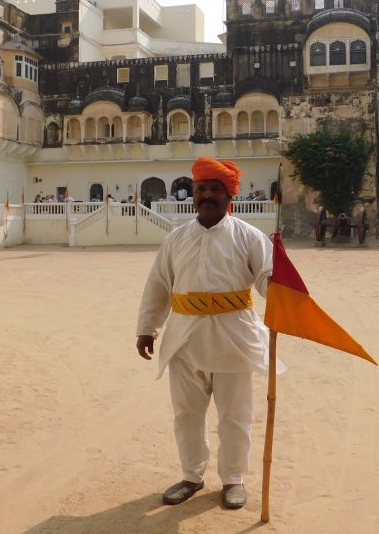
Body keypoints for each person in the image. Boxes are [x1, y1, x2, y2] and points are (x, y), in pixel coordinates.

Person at [136, 157, 274, 510]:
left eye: (215, 189)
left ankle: (233, 479)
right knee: (186, 415)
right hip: (184, 341)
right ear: (192, 194)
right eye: (201, 189)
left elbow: (266, 278)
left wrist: (278, 288)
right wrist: (147, 329)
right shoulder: (176, 238)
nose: (207, 195)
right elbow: (159, 286)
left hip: (234, 341)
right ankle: (191, 477)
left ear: (229, 195)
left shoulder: (249, 236)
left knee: (235, 416)